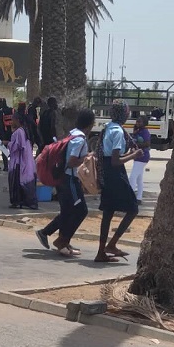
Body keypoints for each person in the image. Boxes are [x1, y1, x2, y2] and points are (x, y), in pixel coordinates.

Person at [35, 109, 95, 256]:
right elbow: (72, 161)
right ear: (90, 124)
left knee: (67, 211)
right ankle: (62, 240)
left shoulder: (72, 133)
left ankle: (55, 238)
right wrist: (86, 158)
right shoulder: (80, 140)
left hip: (62, 178)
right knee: (81, 211)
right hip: (70, 179)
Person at [94, 100, 144, 263]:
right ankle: (112, 243)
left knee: (108, 212)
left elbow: (110, 158)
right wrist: (134, 155)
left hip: (107, 173)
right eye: (127, 112)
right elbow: (116, 161)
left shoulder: (108, 127)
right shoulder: (118, 132)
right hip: (116, 174)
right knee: (133, 209)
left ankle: (101, 251)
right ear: (124, 114)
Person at [7, 102, 38, 209]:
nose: (12, 122)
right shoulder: (22, 130)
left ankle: (28, 202)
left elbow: (17, 146)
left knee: (20, 181)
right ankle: (19, 201)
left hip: (19, 161)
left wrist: (7, 144)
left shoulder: (19, 132)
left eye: (13, 120)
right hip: (22, 160)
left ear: (17, 120)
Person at [129, 115, 151, 204]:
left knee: (132, 177)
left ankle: (130, 198)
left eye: (139, 122)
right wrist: (134, 133)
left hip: (142, 156)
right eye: (137, 121)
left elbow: (147, 143)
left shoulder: (145, 132)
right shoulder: (138, 131)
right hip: (137, 157)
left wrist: (135, 144)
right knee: (139, 179)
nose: (137, 123)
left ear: (144, 123)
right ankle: (139, 198)